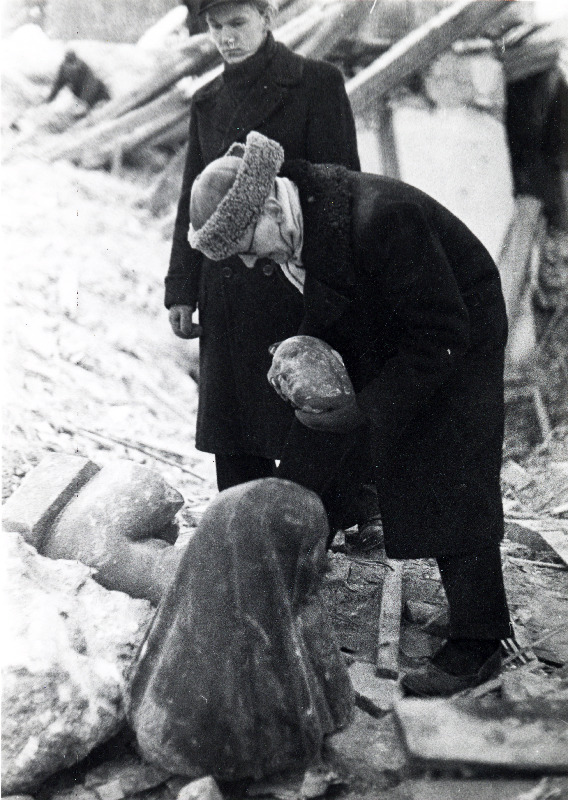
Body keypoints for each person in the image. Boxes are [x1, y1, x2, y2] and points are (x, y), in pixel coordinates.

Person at [187, 130, 514, 697]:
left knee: (447, 463)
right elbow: (341, 300)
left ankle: (480, 640)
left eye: (242, 241)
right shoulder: (303, 219)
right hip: (395, 325)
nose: (245, 260)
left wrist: (365, 408)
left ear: (267, 204)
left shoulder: (379, 220)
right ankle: (463, 609)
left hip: (456, 328)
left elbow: (439, 331)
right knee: (354, 444)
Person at [165, 0, 382, 549]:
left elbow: (340, 187)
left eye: (237, 23)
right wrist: (181, 287)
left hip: (295, 274)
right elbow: (193, 200)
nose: (226, 38)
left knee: (307, 400)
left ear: (266, 17)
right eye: (216, 28)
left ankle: (332, 522)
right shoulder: (207, 101)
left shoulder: (315, 83)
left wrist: (339, 281)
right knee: (237, 421)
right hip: (229, 287)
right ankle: (243, 530)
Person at [128, 478, 353, 781]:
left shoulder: (225, 608)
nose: (322, 564)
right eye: (310, 552)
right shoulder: (235, 653)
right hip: (204, 752)